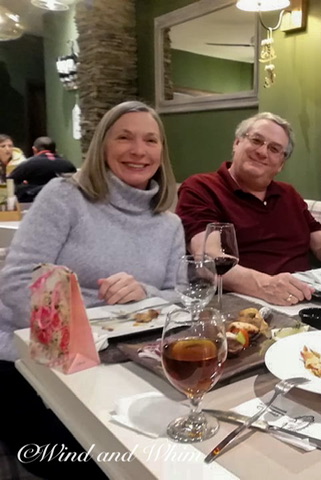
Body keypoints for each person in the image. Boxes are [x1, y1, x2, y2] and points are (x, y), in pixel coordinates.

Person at [0, 100, 185, 478]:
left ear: (161, 152)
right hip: (27, 361)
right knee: (99, 465)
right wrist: (103, 318)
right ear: (103, 145)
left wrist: (144, 293)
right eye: (125, 137)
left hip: (119, 365)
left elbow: (178, 297)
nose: (138, 150)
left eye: (151, 140)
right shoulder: (63, 196)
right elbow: (18, 284)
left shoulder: (169, 224)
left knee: (167, 447)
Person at [176, 112, 321, 305]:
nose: (262, 152)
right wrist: (266, 286)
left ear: (281, 164)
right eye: (256, 140)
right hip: (242, 304)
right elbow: (208, 262)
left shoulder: (289, 194)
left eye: (274, 149)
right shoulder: (201, 187)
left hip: (304, 299)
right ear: (237, 143)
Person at [9, 136, 77, 203]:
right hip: (63, 201)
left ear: (34, 150)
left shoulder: (29, 163)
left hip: (35, 202)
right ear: (56, 150)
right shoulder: (68, 165)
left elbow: (10, 181)